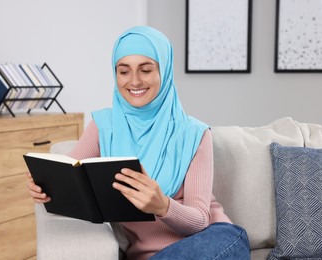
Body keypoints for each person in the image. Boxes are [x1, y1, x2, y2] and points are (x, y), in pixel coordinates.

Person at [27, 25, 250, 259]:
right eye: (124, 72)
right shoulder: (104, 126)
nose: (134, 81)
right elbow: (66, 174)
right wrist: (44, 186)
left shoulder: (194, 133)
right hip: (153, 256)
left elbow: (201, 220)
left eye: (145, 70)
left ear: (163, 71)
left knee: (226, 240)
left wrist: (163, 206)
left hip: (214, 241)